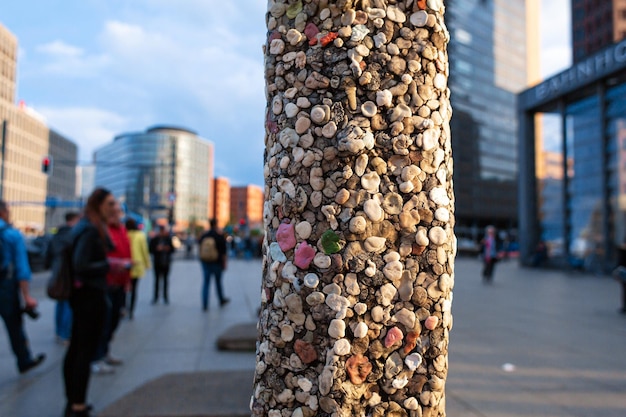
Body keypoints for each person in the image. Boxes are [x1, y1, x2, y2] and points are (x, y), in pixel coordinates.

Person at [64, 188, 116, 417]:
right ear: (99, 205)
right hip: (89, 296)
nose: (114, 208)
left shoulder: (87, 226)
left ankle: (73, 401)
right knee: (83, 351)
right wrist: (108, 265)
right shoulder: (90, 230)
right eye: (110, 204)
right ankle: (77, 405)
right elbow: (81, 265)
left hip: (83, 295)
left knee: (77, 349)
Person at [0, 200, 46, 374]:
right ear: (3, 212)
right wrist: (26, 296)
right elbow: (22, 269)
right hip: (6, 288)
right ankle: (24, 360)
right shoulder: (12, 235)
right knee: (14, 326)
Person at [91, 202, 131, 374]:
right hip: (106, 283)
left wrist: (127, 279)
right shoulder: (100, 230)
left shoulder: (121, 229)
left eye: (118, 213)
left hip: (120, 282)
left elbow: (127, 252)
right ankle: (96, 357)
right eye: (112, 213)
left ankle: (104, 351)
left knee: (114, 319)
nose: (116, 216)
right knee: (103, 322)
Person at [45, 211, 80, 345]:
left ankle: (59, 332)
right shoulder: (72, 234)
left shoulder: (57, 234)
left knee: (60, 303)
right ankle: (65, 334)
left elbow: (48, 254)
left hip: (56, 272)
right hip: (67, 273)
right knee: (67, 303)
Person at [198, 218, 229, 311]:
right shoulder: (219, 236)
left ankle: (205, 304)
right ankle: (221, 299)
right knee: (218, 282)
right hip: (217, 262)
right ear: (216, 224)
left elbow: (200, 248)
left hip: (205, 262)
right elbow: (224, 252)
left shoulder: (204, 235)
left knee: (206, 283)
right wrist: (224, 263)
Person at [126, 218, 151, 319]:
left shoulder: (124, 235)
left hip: (125, 265)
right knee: (134, 289)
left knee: (124, 288)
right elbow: (144, 251)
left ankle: (123, 308)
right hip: (136, 265)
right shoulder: (140, 236)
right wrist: (147, 264)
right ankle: (131, 310)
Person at [149, 225, 174, 304]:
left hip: (166, 262)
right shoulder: (155, 240)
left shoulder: (168, 239)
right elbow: (150, 250)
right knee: (156, 280)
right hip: (157, 262)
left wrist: (167, 248)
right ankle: (156, 297)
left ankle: (165, 297)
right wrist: (157, 248)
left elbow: (172, 249)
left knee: (165, 280)